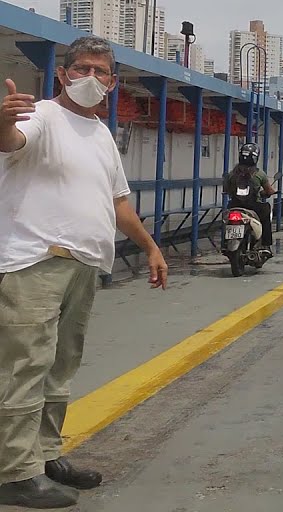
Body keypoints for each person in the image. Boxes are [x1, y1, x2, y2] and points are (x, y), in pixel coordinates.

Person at [0, 35, 169, 509]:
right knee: (24, 367)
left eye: (100, 71)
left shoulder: (100, 136)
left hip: (84, 266)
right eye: (81, 69)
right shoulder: (42, 116)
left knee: (60, 368)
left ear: (112, 83)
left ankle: (45, 456)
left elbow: (119, 204)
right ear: (62, 74)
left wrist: (151, 247)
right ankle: (15, 472)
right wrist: (4, 120)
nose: (90, 78)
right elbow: (11, 141)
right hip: (37, 261)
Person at [223, 143, 276, 253]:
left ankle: (224, 242)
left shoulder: (232, 174)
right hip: (253, 207)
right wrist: (268, 192)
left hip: (234, 205)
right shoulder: (259, 174)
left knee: (225, 219)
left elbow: (226, 189)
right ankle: (266, 244)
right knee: (266, 210)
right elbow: (269, 190)